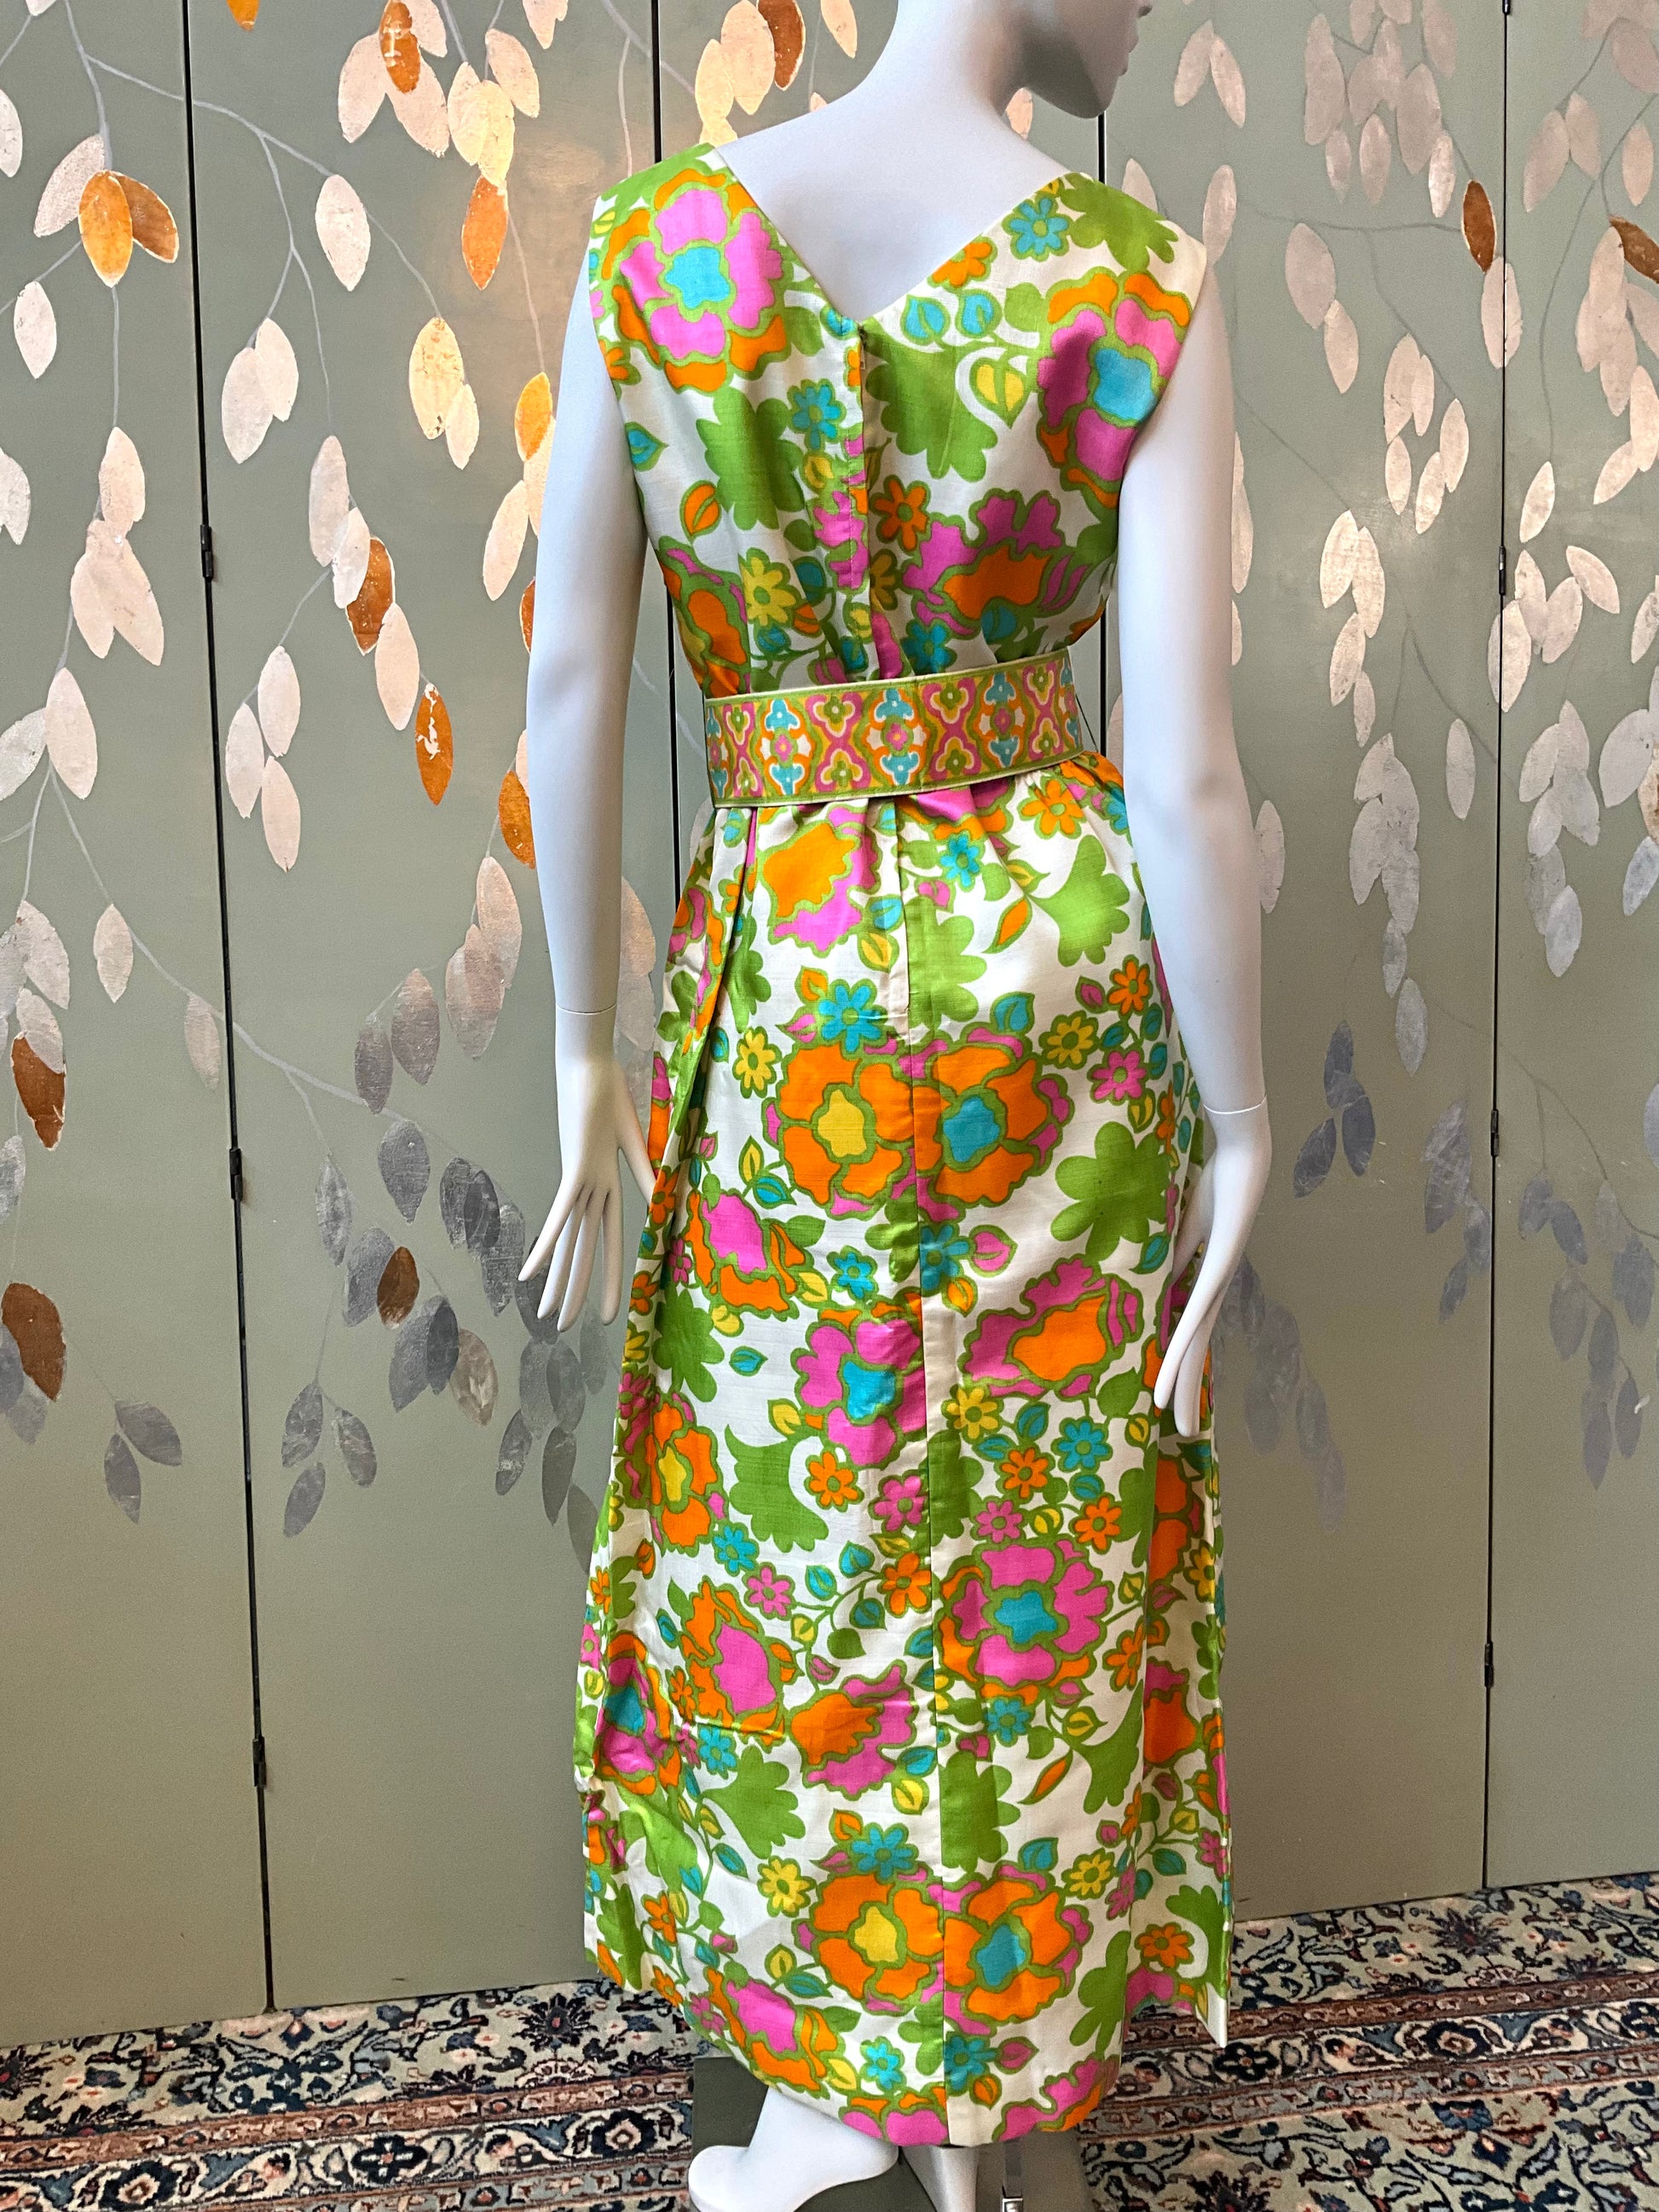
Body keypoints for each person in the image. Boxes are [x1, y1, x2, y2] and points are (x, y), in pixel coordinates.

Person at [519, 3, 1270, 2205]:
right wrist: (1237, 1119)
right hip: (1053, 965)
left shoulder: (656, 253)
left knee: (804, 1516)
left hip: (788, 989)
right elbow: (1189, 763)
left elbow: (573, 681)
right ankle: (955, 2071)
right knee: (1032, 1519)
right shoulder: (1133, 277)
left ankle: (844, 2064)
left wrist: (592, 1051)